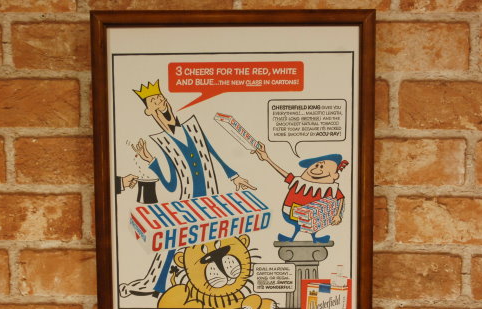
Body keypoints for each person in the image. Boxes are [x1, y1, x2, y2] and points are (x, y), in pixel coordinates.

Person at [119, 80, 256, 297]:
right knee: (171, 241)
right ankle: (156, 285)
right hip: (187, 200)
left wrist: (234, 176)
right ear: (149, 111)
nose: (160, 103)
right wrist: (150, 160)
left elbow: (213, 153)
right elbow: (171, 184)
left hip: (210, 196)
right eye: (154, 102)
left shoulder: (192, 126)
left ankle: (228, 281)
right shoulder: (162, 141)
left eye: (161, 99)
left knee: (220, 237)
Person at [254, 142, 347, 243]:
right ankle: (292, 238)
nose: (316, 168)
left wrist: (338, 215)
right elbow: (284, 174)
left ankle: (314, 238)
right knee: (297, 225)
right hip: (289, 212)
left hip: (315, 218)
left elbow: (341, 198)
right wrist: (267, 158)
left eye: (321, 167)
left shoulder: (330, 188)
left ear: (334, 175)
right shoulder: (298, 181)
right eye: (316, 165)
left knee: (311, 225)